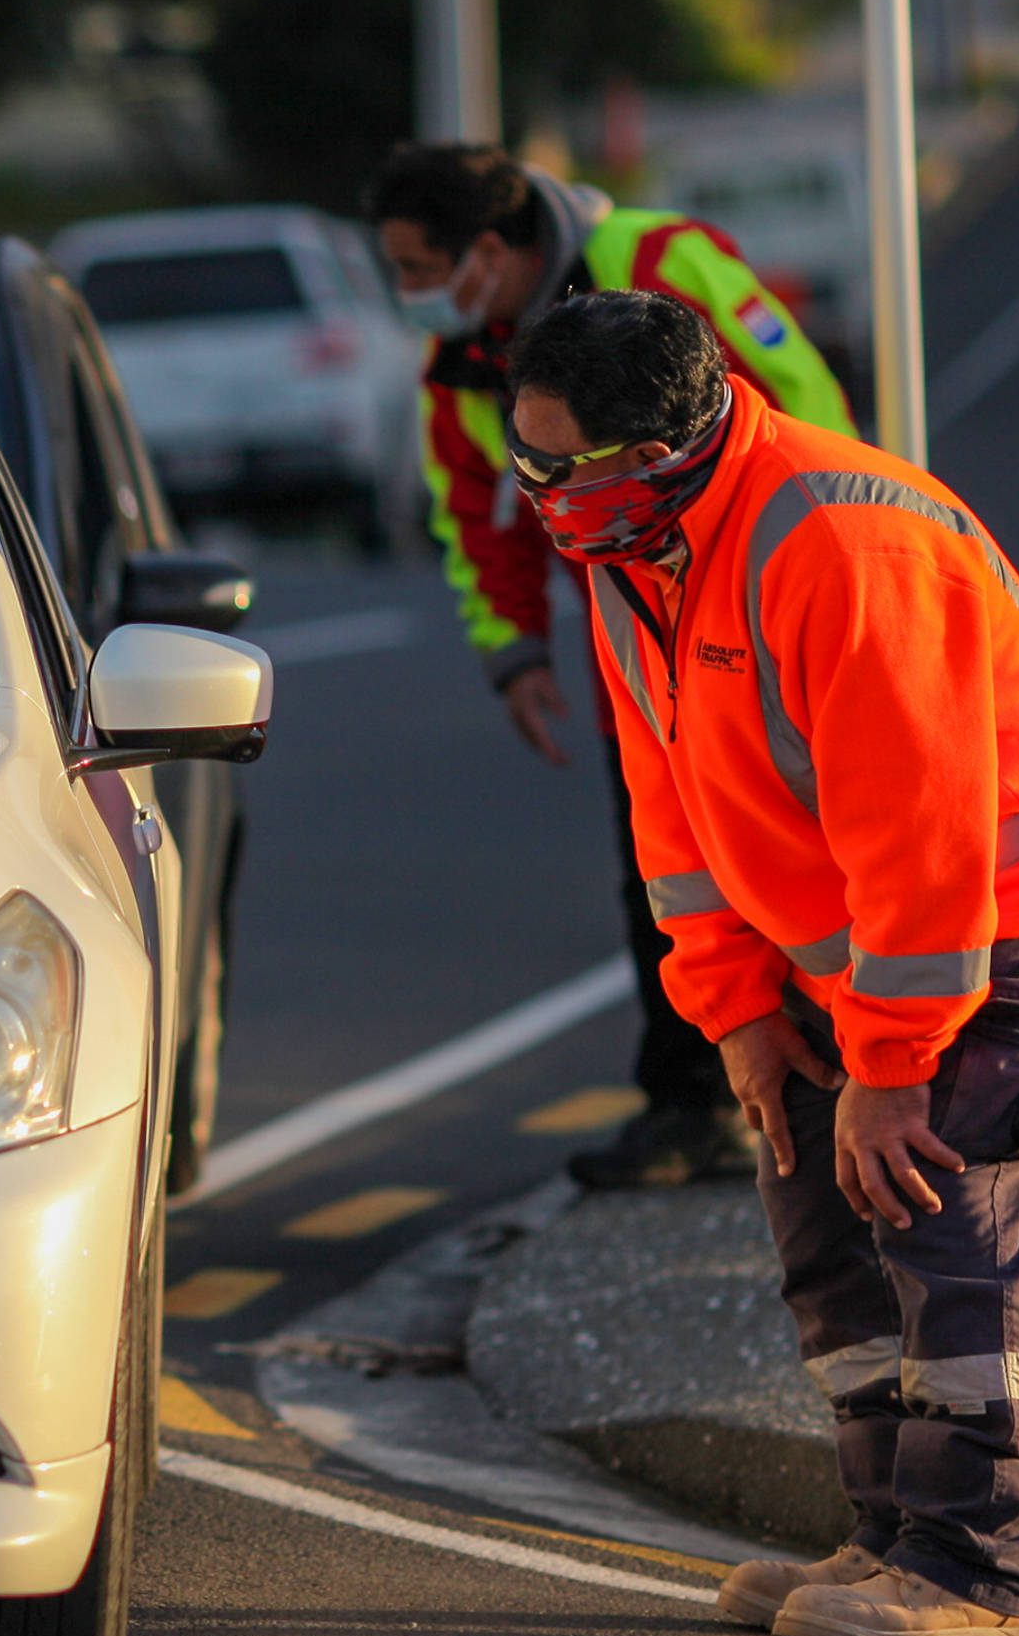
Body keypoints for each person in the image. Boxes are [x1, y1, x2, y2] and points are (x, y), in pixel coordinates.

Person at [507, 291, 1019, 1636]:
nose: (543, 505)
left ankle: (985, 1579)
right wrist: (739, 1013)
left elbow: (925, 833)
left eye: (565, 472)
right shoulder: (636, 548)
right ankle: (889, 1540)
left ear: (668, 449)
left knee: (952, 1234)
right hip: (860, 945)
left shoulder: (837, 540)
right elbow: (674, 817)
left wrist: (889, 1066)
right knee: (827, 1232)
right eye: (527, 467)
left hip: (1005, 914)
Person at [361, 142, 858, 1191]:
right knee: (665, 873)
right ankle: (693, 1105)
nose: (405, 295)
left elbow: (803, 406)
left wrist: (804, 595)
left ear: (486, 253)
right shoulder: (456, 361)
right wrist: (514, 654)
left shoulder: (660, 258)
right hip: (629, 632)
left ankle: (857, 1071)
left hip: (764, 617)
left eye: (414, 269)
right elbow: (472, 511)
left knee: (804, 852)